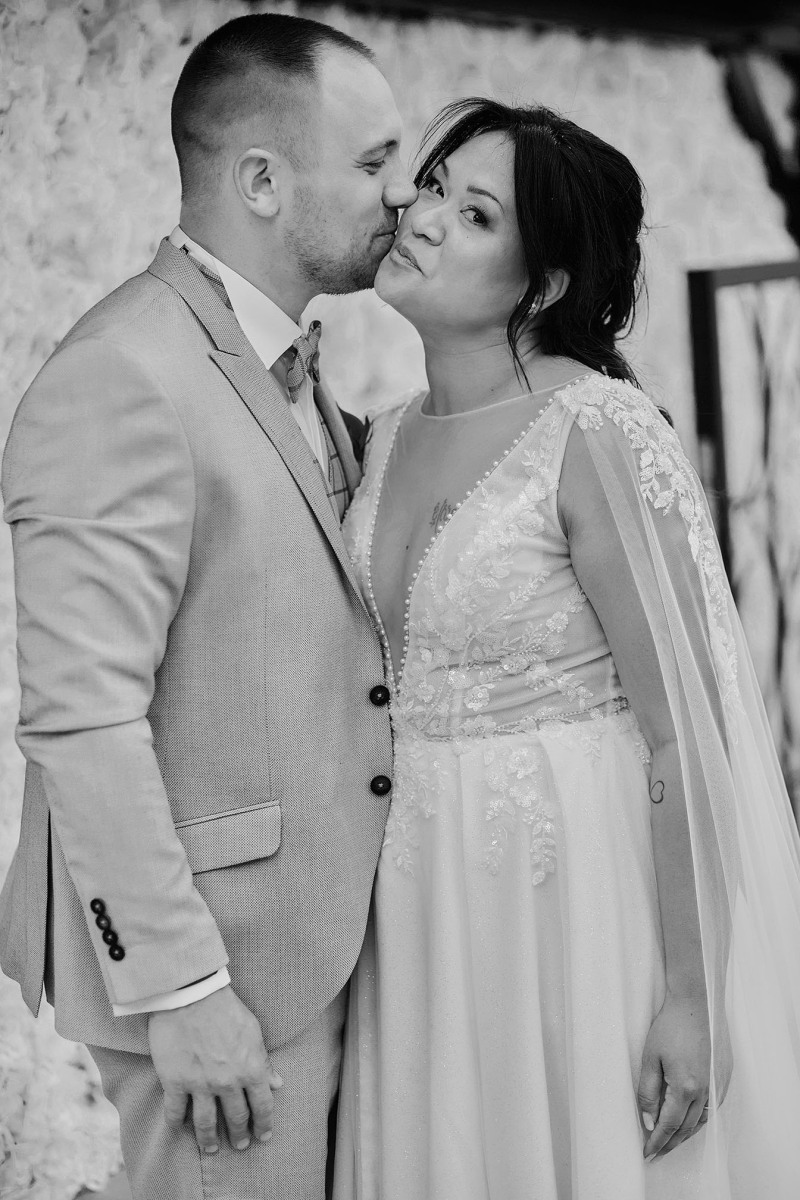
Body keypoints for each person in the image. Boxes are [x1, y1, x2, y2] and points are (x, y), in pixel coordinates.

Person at [333, 98, 800, 1199]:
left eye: (475, 213)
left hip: (577, 895)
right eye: (434, 187)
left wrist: (691, 993)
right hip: (420, 908)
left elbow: (683, 733)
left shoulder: (595, 430)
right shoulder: (383, 436)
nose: (424, 218)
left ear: (540, 285)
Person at [0, 14, 416, 1200]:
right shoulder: (121, 375)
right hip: (222, 985)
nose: (403, 192)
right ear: (262, 181)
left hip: (312, 949)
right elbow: (81, 719)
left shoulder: (275, 356)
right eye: (373, 161)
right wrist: (180, 990)